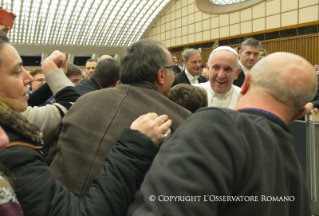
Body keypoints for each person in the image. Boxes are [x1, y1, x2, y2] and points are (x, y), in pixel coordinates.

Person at [0, 30, 173, 215]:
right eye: (17, 72)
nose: (29, 78)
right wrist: (133, 148)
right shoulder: (10, 146)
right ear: (161, 74)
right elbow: (68, 103)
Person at [128, 52, 317, 216]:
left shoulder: (212, 127)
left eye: (227, 69)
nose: (220, 75)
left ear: (245, 83)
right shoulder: (298, 180)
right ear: (299, 114)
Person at [49, 39, 191, 197]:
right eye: (173, 69)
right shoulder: (180, 120)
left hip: (53, 201)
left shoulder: (83, 101)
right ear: (162, 75)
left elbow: (53, 152)